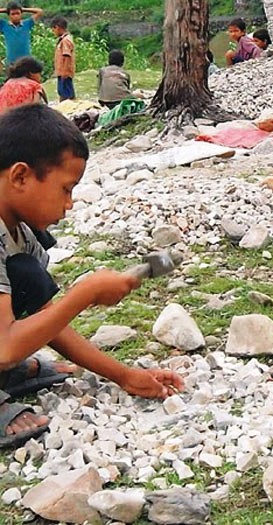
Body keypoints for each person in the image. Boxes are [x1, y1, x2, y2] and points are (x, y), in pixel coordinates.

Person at [0, 104, 184, 448]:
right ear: (20, 176)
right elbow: (5, 346)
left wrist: (124, 375)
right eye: (66, 189)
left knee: (28, 275)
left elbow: (46, 318)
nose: (69, 204)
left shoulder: (20, 234)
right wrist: (84, 293)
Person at [0, 2, 42, 68]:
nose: (16, 16)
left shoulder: (27, 23)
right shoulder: (4, 25)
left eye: (18, 13)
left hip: (26, 61)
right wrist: (6, 10)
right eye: (13, 14)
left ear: (21, 14)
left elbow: (39, 11)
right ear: (9, 15)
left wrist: (22, 9)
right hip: (12, 62)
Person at [51, 16, 75, 101]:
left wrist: (65, 71)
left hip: (64, 73)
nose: (53, 32)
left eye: (53, 30)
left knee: (66, 94)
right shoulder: (63, 40)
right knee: (62, 91)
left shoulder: (65, 40)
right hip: (61, 72)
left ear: (57, 27)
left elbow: (67, 56)